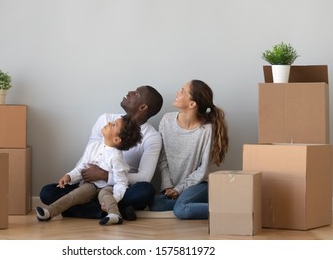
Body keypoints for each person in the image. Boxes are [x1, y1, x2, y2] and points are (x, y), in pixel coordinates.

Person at [39, 85, 163, 220]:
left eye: (136, 93)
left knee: (146, 190)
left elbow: (144, 177)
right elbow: (87, 157)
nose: (130, 92)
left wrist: (105, 176)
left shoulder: (152, 137)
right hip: (88, 183)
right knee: (47, 193)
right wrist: (73, 176)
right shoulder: (106, 120)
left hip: (119, 187)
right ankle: (116, 210)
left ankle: (85, 209)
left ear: (143, 107)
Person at [36, 115, 142, 225]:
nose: (109, 123)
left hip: (107, 187)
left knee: (105, 196)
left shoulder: (116, 157)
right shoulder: (93, 146)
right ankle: (49, 212)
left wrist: (115, 198)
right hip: (90, 185)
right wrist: (69, 176)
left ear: (116, 139)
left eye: (114, 125)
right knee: (74, 195)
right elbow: (82, 167)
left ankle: (115, 215)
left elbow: (121, 182)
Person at [149, 80, 228, 219]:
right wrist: (168, 186)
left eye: (183, 91)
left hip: (197, 185)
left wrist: (179, 189)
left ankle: (232, 210)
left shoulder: (207, 130)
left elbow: (203, 170)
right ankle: (193, 203)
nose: (177, 93)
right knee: (155, 204)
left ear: (192, 104)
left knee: (181, 210)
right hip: (172, 187)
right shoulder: (166, 120)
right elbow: (163, 158)